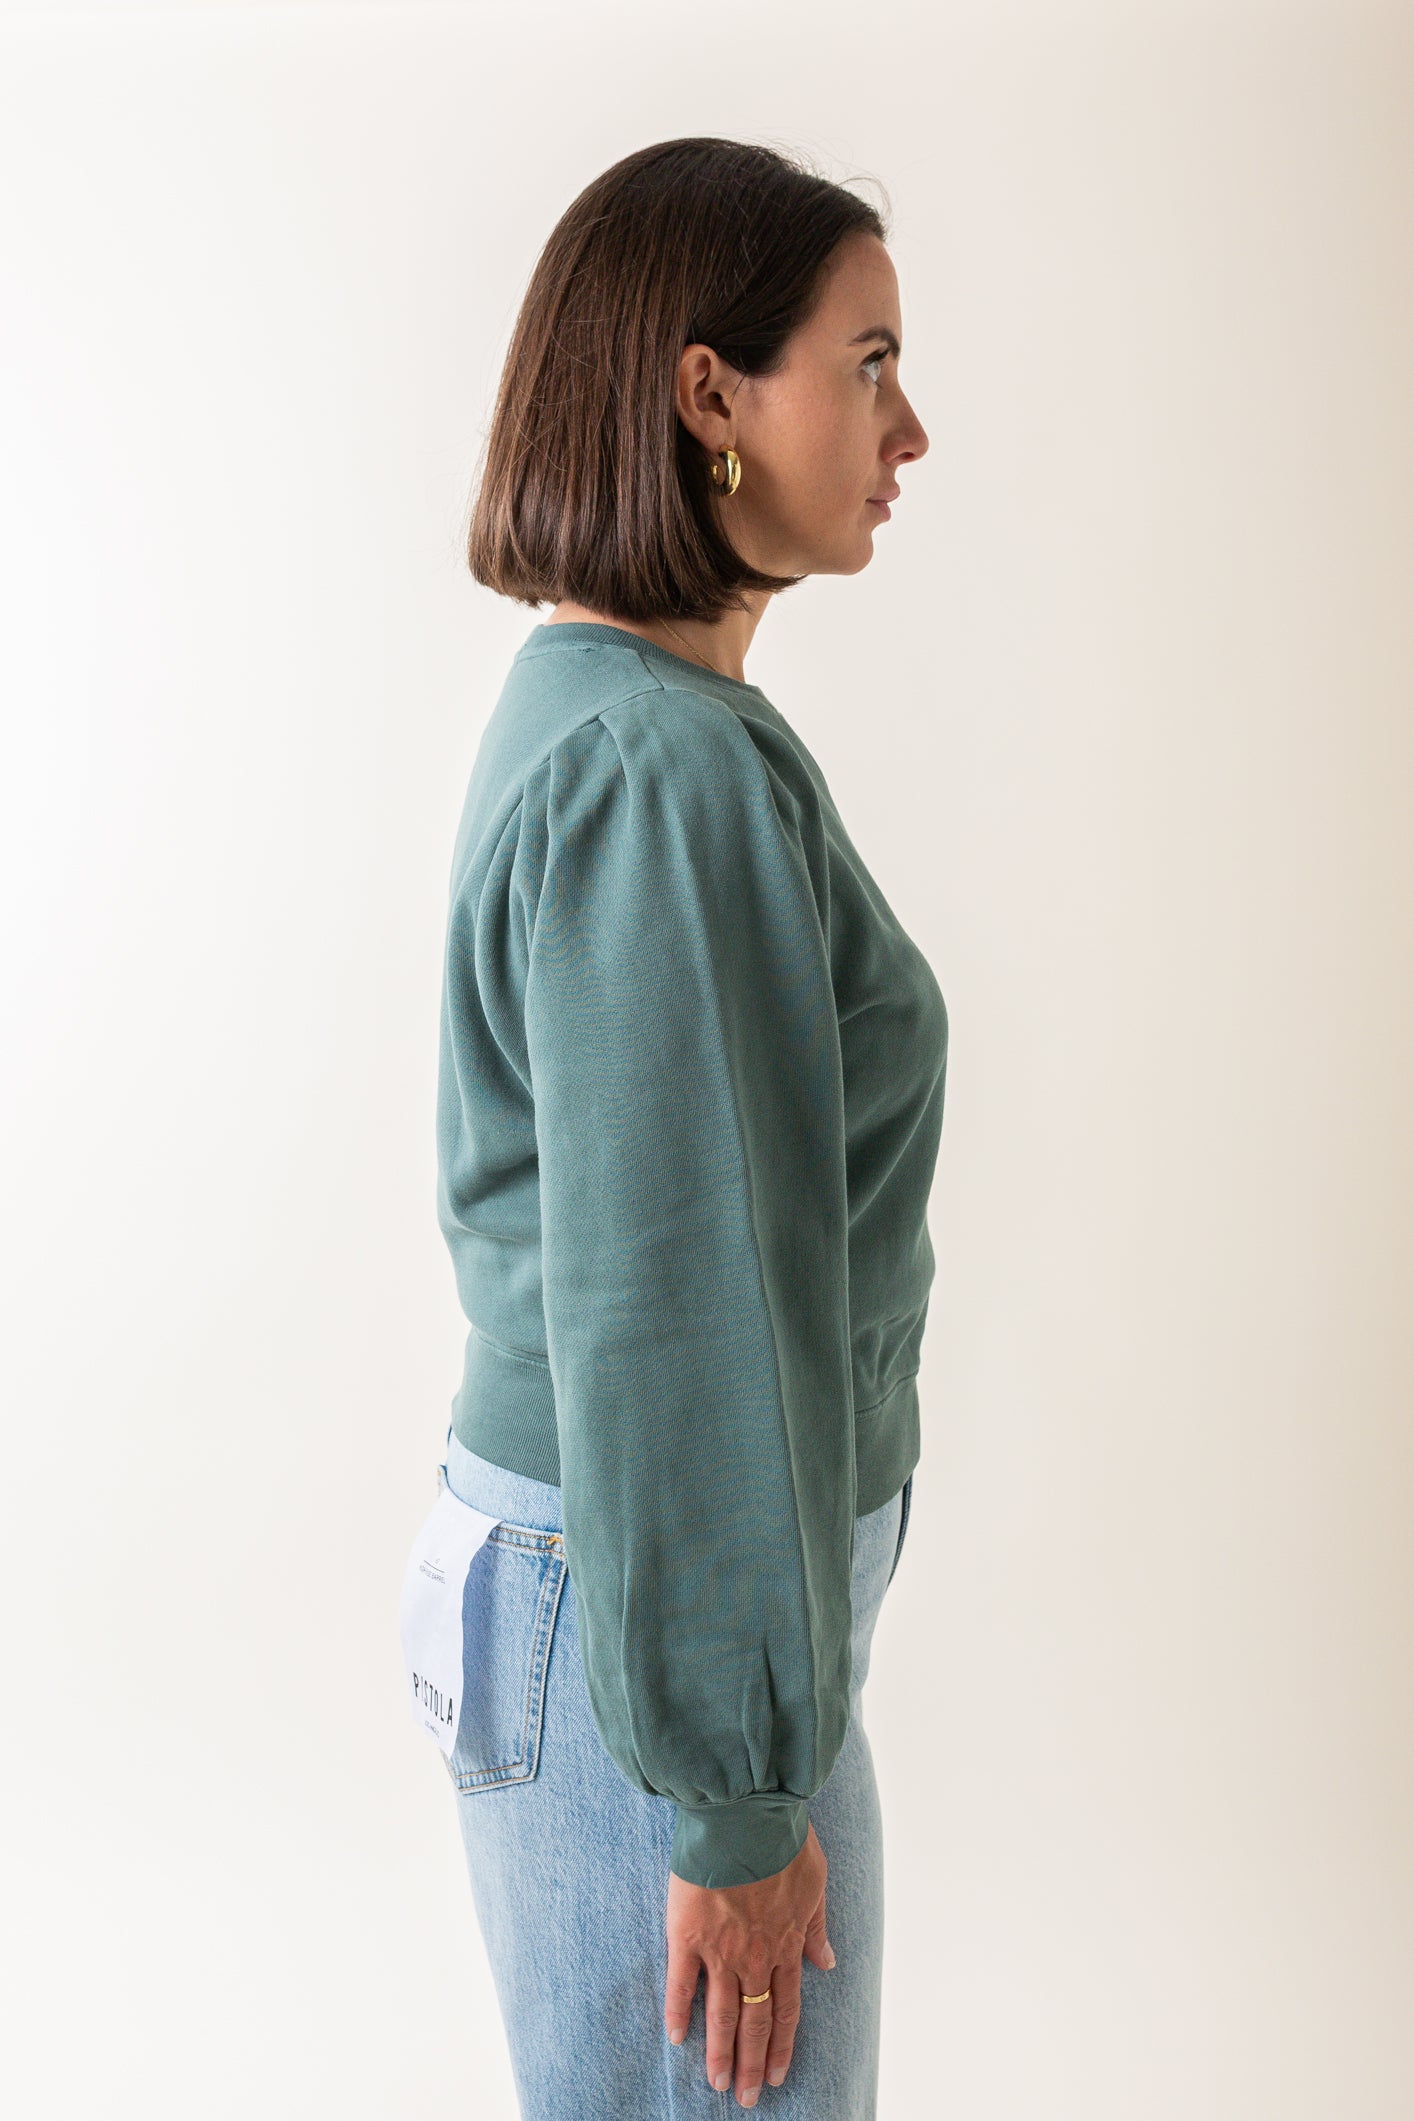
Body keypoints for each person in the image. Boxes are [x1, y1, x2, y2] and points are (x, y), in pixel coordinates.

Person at [429, 135, 948, 2116]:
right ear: (707, 395)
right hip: (659, 1645)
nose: (908, 429)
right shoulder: (657, 770)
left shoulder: (614, 714)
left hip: (628, 1612)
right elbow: (678, 1303)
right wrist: (734, 1796)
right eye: (867, 363)